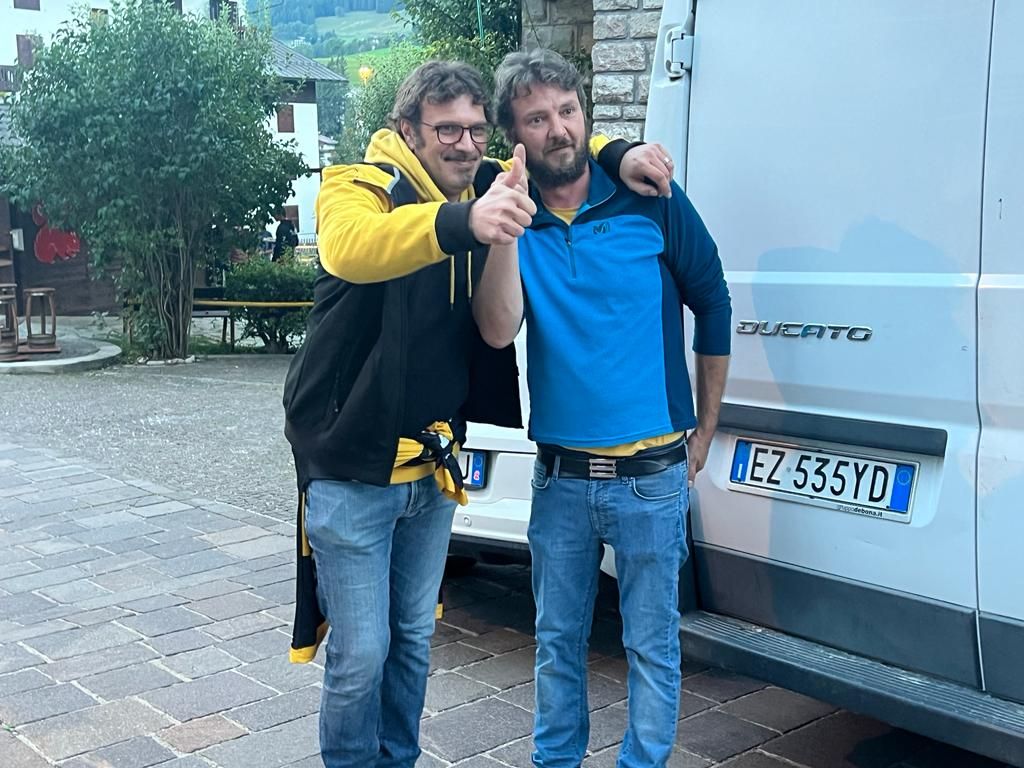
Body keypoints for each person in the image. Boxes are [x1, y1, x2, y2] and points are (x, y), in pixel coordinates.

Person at [281, 59, 677, 768]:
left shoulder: (490, 181)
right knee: (362, 650)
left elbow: (554, 141)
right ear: (408, 130)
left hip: (433, 471)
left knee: (412, 640)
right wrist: (467, 221)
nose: (464, 144)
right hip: (350, 467)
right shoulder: (359, 184)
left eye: (474, 129)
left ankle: (396, 759)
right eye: (446, 130)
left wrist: (615, 149)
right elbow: (349, 248)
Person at [477, 49, 732, 768]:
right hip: (559, 478)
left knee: (651, 643)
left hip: (651, 476)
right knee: (556, 643)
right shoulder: (508, 211)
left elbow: (713, 301)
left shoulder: (649, 197)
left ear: (585, 115)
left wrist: (707, 427)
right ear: (514, 136)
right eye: (536, 119)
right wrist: (508, 221)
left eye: (568, 111)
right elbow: (496, 328)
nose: (558, 129)